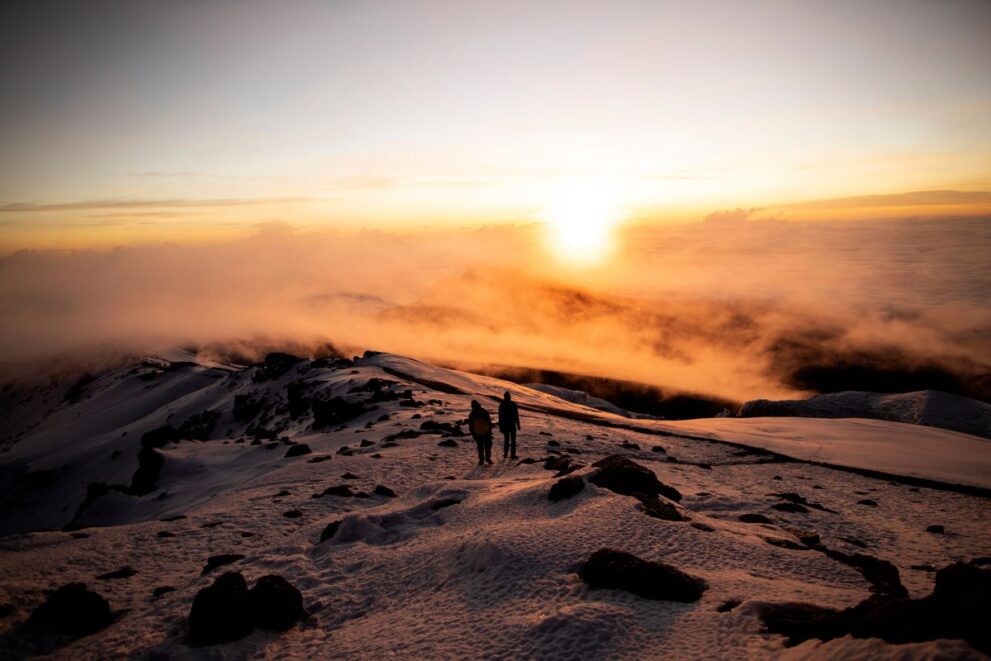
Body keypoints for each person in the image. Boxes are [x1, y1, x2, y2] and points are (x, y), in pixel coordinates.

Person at [468, 399, 493, 466]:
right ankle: (487, 458)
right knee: (487, 446)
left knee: (480, 447)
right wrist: (489, 429)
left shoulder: (472, 414)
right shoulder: (483, 411)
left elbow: (471, 425)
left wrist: (473, 433)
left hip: (478, 433)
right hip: (485, 432)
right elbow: (489, 421)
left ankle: (482, 460)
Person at [498, 391, 521, 459]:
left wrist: (501, 426)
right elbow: (516, 415)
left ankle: (507, 454)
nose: (508, 397)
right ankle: (510, 454)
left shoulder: (502, 404)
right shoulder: (511, 404)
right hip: (510, 425)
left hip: (507, 425)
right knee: (511, 440)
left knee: (508, 440)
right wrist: (518, 424)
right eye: (508, 396)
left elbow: (500, 417)